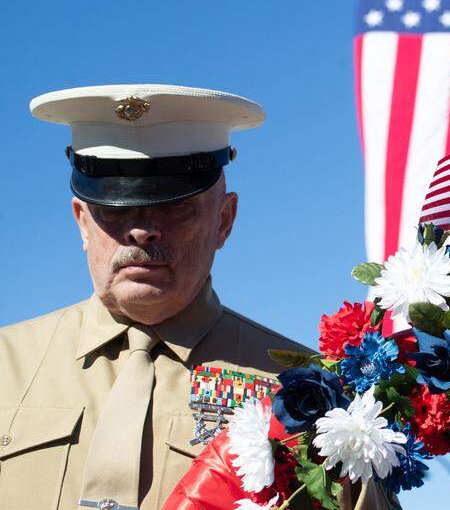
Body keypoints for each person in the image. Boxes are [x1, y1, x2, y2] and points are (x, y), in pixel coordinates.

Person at [0, 85, 387, 510]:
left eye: (174, 206)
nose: (142, 229)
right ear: (81, 221)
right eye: (113, 208)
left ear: (224, 220)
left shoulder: (307, 395)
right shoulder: (7, 364)